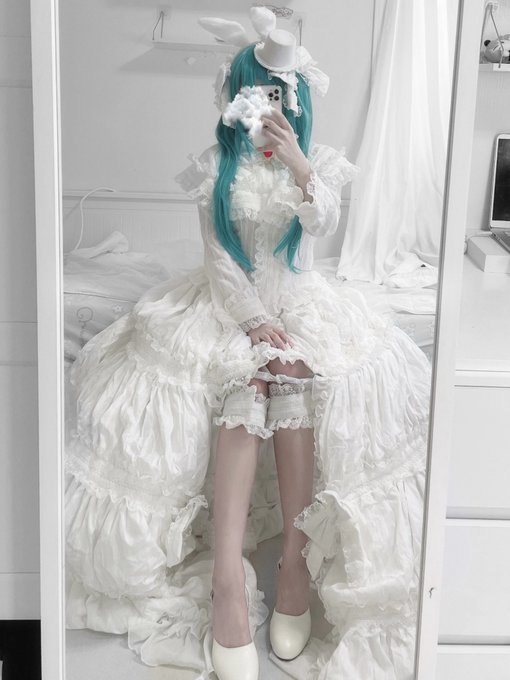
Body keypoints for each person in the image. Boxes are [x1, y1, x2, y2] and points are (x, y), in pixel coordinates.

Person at [64, 9, 432, 680]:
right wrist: (250, 320)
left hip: (299, 300)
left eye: (283, 98)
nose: (270, 109)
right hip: (228, 303)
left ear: (297, 104)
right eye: (259, 95)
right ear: (236, 98)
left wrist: (298, 164)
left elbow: (320, 225)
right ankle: (228, 579)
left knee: (293, 369)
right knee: (247, 377)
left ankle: (294, 560)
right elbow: (219, 260)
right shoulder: (214, 168)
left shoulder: (316, 167)